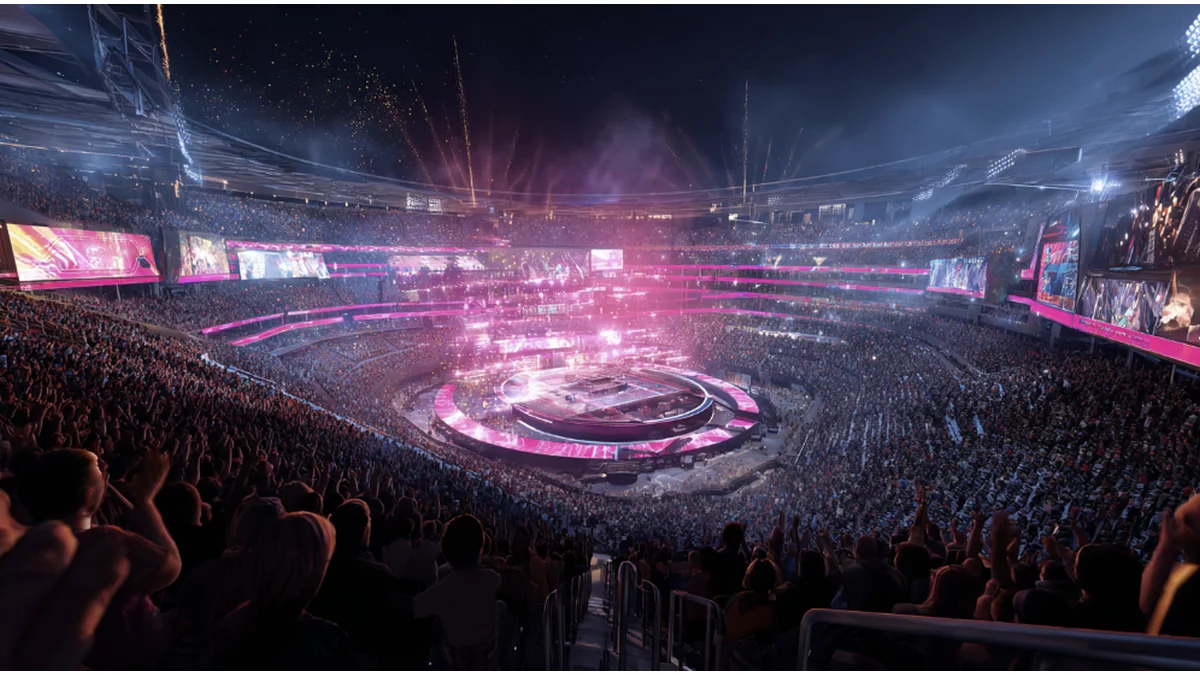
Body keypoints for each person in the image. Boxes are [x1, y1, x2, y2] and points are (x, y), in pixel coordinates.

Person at [413, 514, 502, 668]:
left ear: (446, 550)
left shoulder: (442, 587)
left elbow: (415, 608)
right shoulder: (495, 579)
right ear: (481, 548)